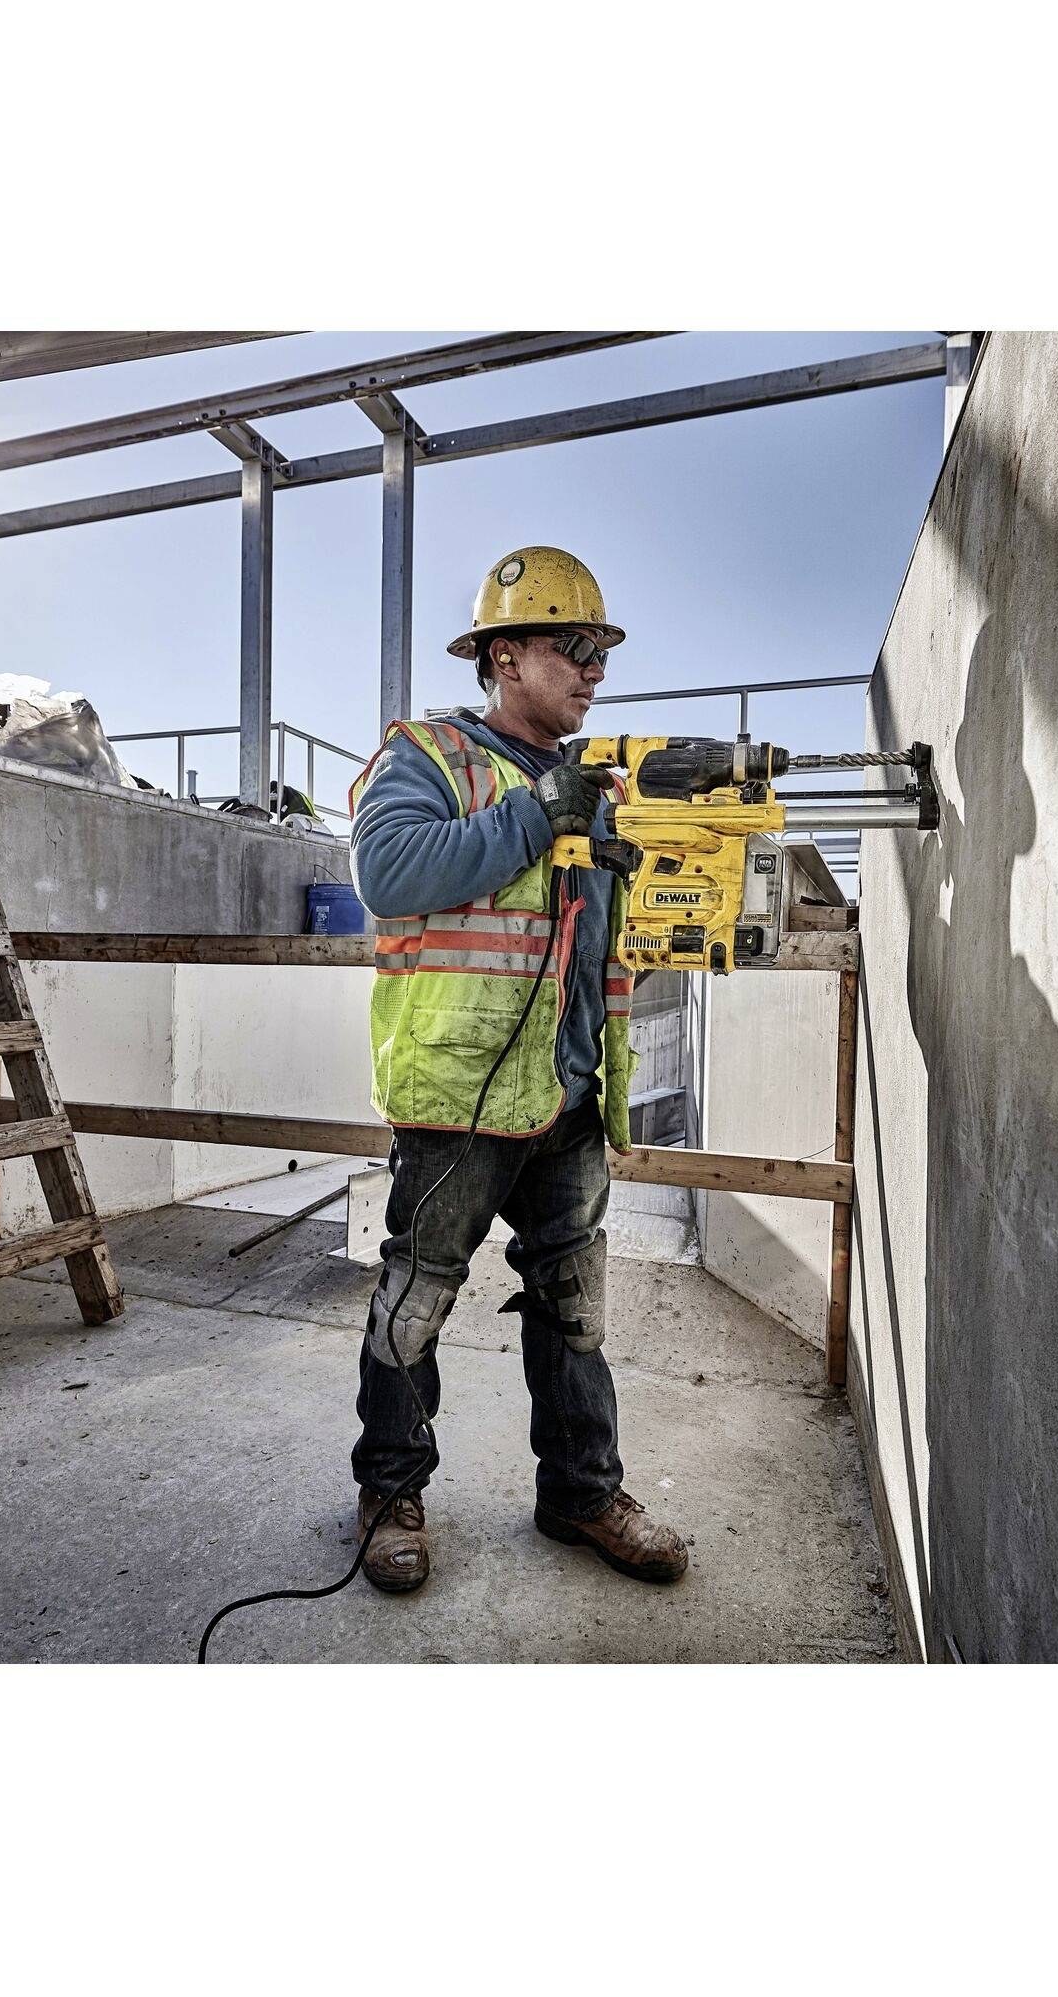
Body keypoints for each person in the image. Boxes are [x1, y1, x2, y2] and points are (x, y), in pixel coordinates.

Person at [345, 547, 691, 1595]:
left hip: (571, 1094)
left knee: (573, 1302)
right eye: (573, 646)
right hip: (460, 1096)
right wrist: (542, 811)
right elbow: (389, 871)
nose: (593, 669)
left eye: (599, 651)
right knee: (416, 1296)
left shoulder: (593, 788)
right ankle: (388, 1489)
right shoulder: (430, 754)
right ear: (503, 655)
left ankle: (581, 1491)